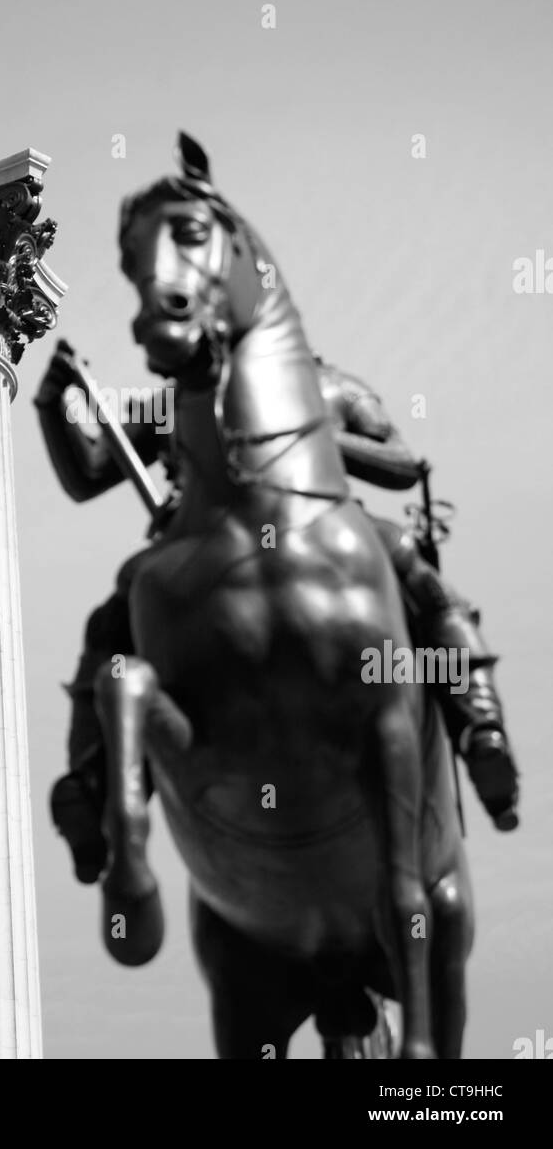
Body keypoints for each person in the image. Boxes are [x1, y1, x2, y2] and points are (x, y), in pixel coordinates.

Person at [35, 343, 520, 884]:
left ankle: (479, 726)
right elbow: (93, 470)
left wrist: (312, 434)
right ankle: (94, 785)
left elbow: (402, 463)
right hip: (197, 540)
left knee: (417, 576)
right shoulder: (181, 400)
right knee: (115, 620)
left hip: (320, 525)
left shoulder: (331, 386)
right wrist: (53, 404)